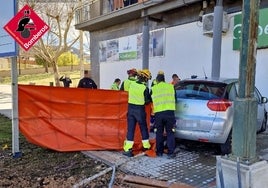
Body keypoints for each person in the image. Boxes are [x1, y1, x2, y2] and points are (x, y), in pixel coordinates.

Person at [123, 69, 152, 157]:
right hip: (140, 110)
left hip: (131, 109)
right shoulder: (145, 88)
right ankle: (146, 147)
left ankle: (128, 149)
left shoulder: (131, 84)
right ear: (145, 79)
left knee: (130, 130)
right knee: (143, 128)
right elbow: (147, 102)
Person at [151, 72, 176, 158]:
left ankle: (159, 152)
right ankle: (171, 152)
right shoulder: (171, 87)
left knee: (159, 133)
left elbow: (150, 100)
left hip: (159, 114)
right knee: (170, 132)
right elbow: (175, 99)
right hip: (169, 113)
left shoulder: (154, 88)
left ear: (157, 80)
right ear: (164, 80)